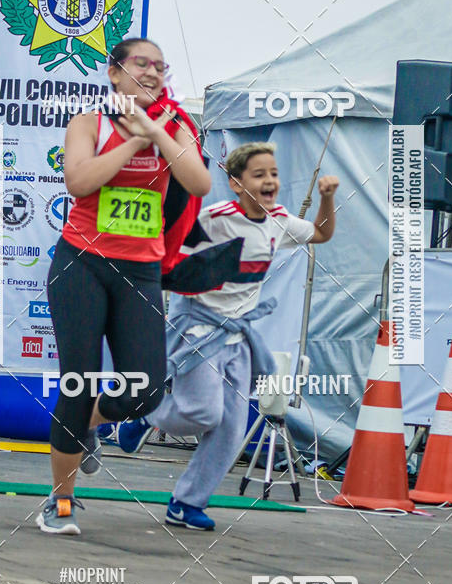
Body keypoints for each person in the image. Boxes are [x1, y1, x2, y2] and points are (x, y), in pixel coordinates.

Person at [36, 37, 210, 535]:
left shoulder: (175, 125)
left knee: (146, 391)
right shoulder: (88, 123)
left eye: (160, 66)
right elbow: (79, 181)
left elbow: (199, 183)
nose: (152, 72)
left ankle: (87, 427)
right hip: (81, 264)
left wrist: (154, 131)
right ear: (114, 72)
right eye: (141, 63)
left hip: (140, 271)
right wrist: (133, 142)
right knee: (78, 382)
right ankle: (60, 502)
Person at [117, 142, 339, 530]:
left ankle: (186, 503)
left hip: (238, 333)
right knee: (204, 412)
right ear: (236, 183)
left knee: (232, 428)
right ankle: (145, 413)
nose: (269, 181)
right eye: (259, 174)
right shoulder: (215, 219)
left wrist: (327, 198)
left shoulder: (280, 220)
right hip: (199, 326)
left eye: (273, 173)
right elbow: (167, 250)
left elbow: (321, 233)